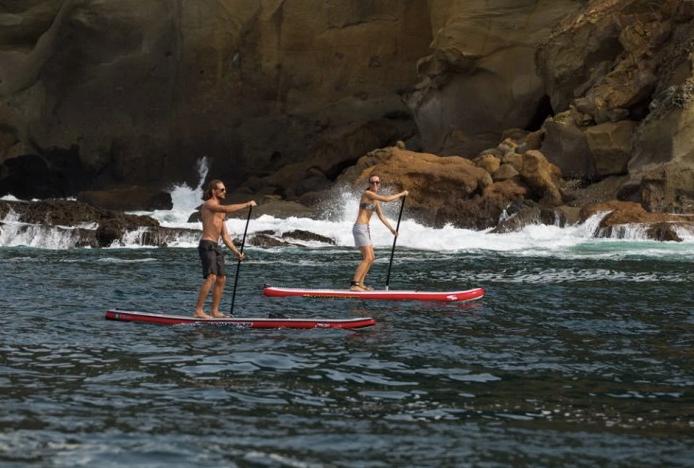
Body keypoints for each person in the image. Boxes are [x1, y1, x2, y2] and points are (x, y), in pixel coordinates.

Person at [194, 179, 256, 318]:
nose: (224, 191)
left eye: (225, 189)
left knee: (221, 278)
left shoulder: (221, 213)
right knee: (211, 277)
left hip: (216, 246)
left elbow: (225, 235)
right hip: (206, 245)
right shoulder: (209, 204)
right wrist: (246, 204)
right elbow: (226, 208)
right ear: (213, 191)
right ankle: (198, 311)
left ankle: (214, 311)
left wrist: (236, 252)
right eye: (221, 189)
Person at [351, 174, 408, 291]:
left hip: (366, 229)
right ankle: (354, 284)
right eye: (372, 182)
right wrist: (402, 194)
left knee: (372, 258)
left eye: (377, 182)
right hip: (360, 228)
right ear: (369, 184)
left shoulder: (375, 201)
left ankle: (361, 283)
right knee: (367, 257)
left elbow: (381, 216)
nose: (375, 184)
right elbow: (387, 199)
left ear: (380, 184)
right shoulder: (367, 194)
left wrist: (392, 229)